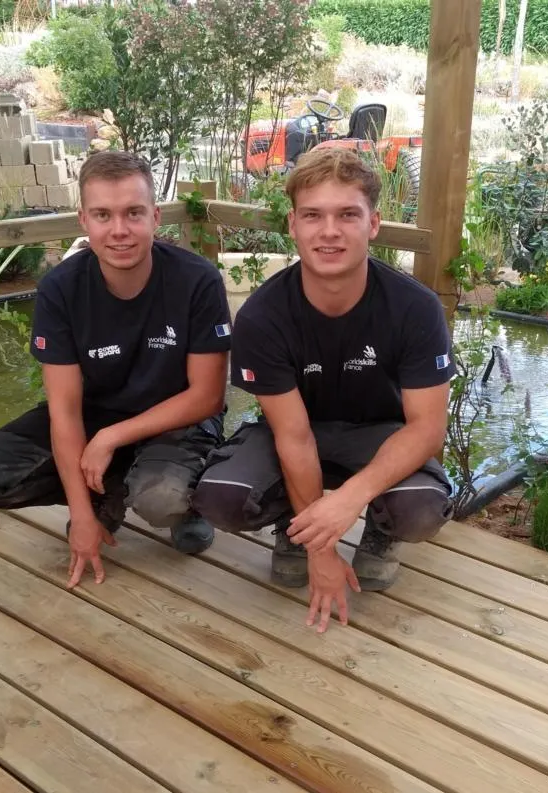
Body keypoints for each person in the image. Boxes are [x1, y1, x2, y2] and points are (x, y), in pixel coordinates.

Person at [192, 147, 454, 633]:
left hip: (379, 432)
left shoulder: (415, 308)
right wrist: (322, 549)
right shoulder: (262, 316)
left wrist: (351, 498)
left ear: (373, 224)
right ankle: (296, 528)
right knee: (221, 497)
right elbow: (293, 437)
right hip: (294, 432)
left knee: (420, 510)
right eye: (313, 215)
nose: (329, 231)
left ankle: (381, 530)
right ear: (293, 225)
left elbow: (427, 428)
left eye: (347, 215)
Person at [0, 151, 233, 588]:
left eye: (133, 213)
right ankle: (106, 496)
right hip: (96, 412)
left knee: (161, 499)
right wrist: (80, 515)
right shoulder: (60, 289)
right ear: (84, 220)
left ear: (155, 217)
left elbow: (207, 397)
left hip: (178, 418)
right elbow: (64, 410)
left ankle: (187, 504)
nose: (119, 230)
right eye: (103, 215)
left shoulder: (197, 280)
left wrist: (110, 438)